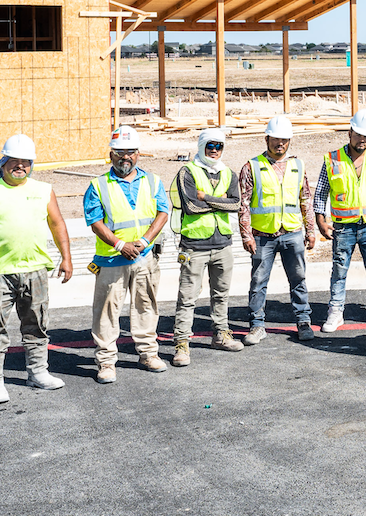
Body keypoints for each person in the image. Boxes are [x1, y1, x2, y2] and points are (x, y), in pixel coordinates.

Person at [0, 134, 73, 404]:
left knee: (37, 325)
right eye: (14, 161)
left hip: (36, 270)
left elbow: (58, 224)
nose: (20, 166)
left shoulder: (43, 190)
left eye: (26, 162)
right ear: (4, 162)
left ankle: (38, 373)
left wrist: (66, 257)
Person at [85, 126, 171, 383]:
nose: (125, 157)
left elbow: (163, 212)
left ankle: (148, 354)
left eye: (130, 152)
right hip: (112, 259)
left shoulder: (153, 181)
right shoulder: (98, 185)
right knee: (107, 311)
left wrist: (144, 241)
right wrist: (121, 244)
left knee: (146, 305)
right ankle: (106, 361)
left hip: (144, 256)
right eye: (120, 152)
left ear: (138, 154)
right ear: (111, 155)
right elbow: (95, 221)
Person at [314, 109, 366, 332]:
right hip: (343, 226)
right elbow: (321, 191)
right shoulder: (333, 159)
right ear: (350, 132)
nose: (362, 140)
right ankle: (335, 311)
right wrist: (321, 221)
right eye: (358, 134)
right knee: (339, 270)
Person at [168, 127, 243, 367]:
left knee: (221, 295)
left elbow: (236, 205)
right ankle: (181, 343)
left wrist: (206, 198)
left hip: (222, 243)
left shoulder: (229, 173)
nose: (214, 150)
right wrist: (219, 202)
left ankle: (220, 334)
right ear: (201, 146)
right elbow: (191, 207)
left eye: (219, 146)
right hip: (194, 245)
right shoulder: (187, 171)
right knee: (187, 297)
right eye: (210, 145)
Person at [239, 115, 317, 343]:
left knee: (298, 279)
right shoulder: (251, 167)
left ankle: (303, 322)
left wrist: (311, 230)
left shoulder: (298, 165)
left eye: (284, 140)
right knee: (258, 282)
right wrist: (246, 234)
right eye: (275, 139)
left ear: (289, 141)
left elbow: (306, 200)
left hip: (292, 233)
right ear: (267, 139)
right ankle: (256, 325)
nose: (280, 143)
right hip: (263, 237)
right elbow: (243, 203)